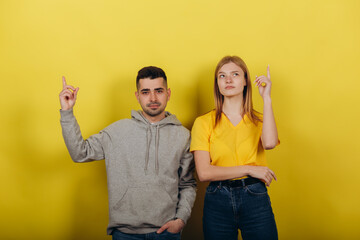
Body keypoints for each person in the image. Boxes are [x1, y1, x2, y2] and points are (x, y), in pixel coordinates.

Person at [59, 66, 196, 240]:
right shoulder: (117, 131)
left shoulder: (183, 136)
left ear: (168, 94)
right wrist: (67, 112)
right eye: (145, 92)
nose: (153, 98)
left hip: (167, 232)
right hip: (125, 233)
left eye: (158, 91)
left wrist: (181, 220)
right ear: (137, 96)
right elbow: (80, 153)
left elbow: (188, 184)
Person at [190, 56, 279, 240]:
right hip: (217, 199)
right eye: (222, 76)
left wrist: (267, 99)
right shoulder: (203, 122)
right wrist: (249, 169)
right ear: (217, 84)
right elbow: (205, 173)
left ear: (246, 80)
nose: (228, 80)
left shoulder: (260, 120)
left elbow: (269, 143)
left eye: (235, 74)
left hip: (255, 196)